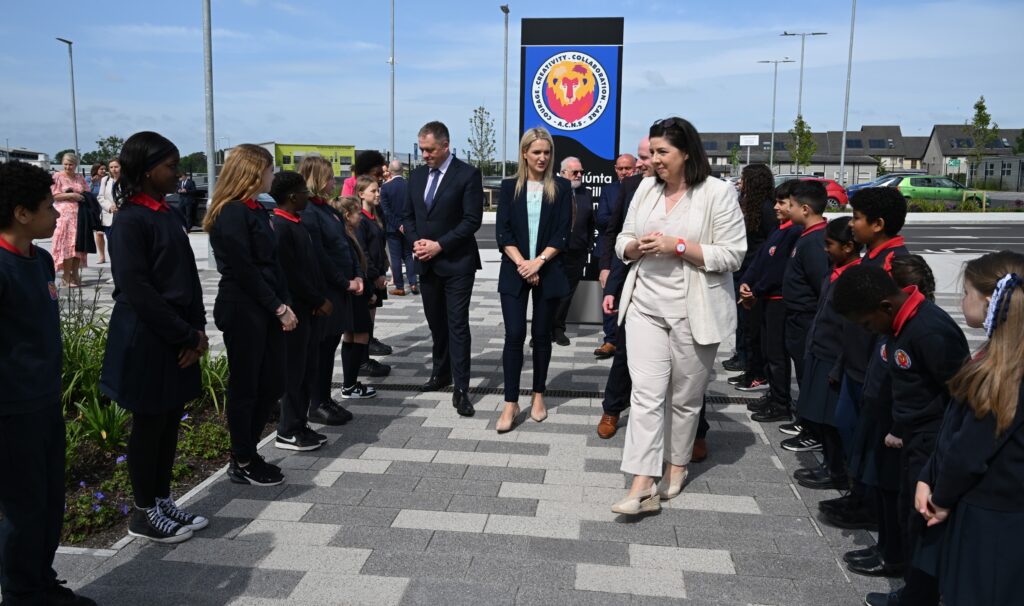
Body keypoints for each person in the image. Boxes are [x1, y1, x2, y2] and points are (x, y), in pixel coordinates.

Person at [611, 117, 746, 515]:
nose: (653, 160)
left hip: (694, 310)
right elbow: (623, 238)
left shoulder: (718, 192)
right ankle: (641, 482)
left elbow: (733, 254)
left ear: (686, 152)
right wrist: (634, 247)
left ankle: (677, 465)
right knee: (646, 394)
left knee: (685, 398)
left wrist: (679, 246)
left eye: (662, 152)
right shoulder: (645, 188)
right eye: (651, 152)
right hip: (645, 306)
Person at [832, 264, 968, 606]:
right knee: (909, 518)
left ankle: (918, 597)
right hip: (911, 437)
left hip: (931, 442)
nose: (868, 331)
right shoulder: (900, 324)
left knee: (923, 523)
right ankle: (913, 590)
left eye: (867, 324)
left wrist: (942, 455)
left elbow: (962, 396)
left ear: (885, 307)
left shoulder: (928, 332)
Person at [99, 131, 210, 543]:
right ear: (146, 171)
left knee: (167, 423)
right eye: (170, 166)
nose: (177, 173)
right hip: (148, 337)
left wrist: (197, 330)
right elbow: (137, 289)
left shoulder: (167, 213)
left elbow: (189, 278)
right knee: (148, 427)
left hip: (177, 334)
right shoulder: (130, 220)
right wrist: (183, 334)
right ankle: (143, 511)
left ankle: (162, 499)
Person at [0, 161, 97, 606]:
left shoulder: (39, 261)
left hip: (44, 401)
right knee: (21, 508)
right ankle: (21, 593)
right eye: (47, 206)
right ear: (21, 214)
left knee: (49, 500)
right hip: (11, 410)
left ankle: (41, 580)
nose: (57, 214)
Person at [912, 251, 1024, 606]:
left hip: (988, 519)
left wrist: (941, 497)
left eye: (966, 293)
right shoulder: (1000, 361)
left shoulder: (1001, 375)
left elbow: (966, 452)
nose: (962, 302)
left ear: (990, 302)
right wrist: (929, 475)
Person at [205, 144, 294, 487]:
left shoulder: (256, 209)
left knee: (273, 382)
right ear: (254, 172)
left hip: (265, 307)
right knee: (246, 386)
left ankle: (247, 451)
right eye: (270, 169)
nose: (273, 175)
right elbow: (243, 269)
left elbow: (272, 263)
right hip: (243, 308)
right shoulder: (231, 212)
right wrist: (278, 306)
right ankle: (242, 458)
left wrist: (283, 302)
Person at [842, 255, 935, 581]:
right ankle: (885, 546)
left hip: (902, 429)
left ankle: (895, 556)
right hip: (880, 417)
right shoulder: (891, 326)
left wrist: (899, 427)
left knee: (896, 495)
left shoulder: (921, 329)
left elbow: (925, 391)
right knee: (881, 486)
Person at [402, 121, 483, 417]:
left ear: (445, 146)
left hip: (457, 263)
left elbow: (472, 220)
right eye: (421, 150)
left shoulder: (467, 174)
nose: (424, 155)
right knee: (436, 322)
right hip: (426, 263)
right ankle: (441, 372)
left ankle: (461, 388)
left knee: (457, 324)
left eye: (430, 150)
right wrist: (416, 243)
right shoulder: (416, 176)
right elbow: (407, 216)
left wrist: (439, 245)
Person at [494, 128, 572, 433]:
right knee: (514, 334)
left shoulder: (561, 187)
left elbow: (562, 233)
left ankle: (538, 393)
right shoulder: (509, 187)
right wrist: (523, 264)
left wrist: (538, 262)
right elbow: (503, 232)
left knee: (541, 335)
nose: (542, 157)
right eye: (536, 151)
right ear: (524, 153)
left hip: (548, 269)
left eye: (547, 152)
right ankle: (510, 402)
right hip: (515, 269)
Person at [788, 218, 861, 467]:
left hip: (834, 356)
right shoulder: (832, 271)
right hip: (818, 349)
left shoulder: (854, 278)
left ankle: (836, 470)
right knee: (818, 412)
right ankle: (829, 465)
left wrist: (839, 366)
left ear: (848, 247)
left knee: (832, 418)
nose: (825, 249)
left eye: (829, 244)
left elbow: (852, 329)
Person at [268, 171, 331, 452]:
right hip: (297, 311)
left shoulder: (297, 222)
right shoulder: (281, 227)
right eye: (305, 192)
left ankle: (300, 423)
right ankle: (287, 430)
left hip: (309, 311)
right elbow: (291, 275)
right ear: (293, 197)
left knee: (307, 370)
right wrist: (317, 299)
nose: (308, 195)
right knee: (294, 373)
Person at [596, 137, 651, 440]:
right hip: (632, 279)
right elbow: (614, 233)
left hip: (677, 288)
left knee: (685, 366)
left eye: (646, 156)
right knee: (624, 352)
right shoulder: (630, 187)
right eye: (640, 157)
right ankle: (612, 409)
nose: (640, 164)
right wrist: (609, 278)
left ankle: (697, 430)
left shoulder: (695, 191)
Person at [298, 156, 358, 426]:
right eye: (330, 177)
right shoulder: (309, 212)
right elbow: (320, 255)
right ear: (316, 179)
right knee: (321, 350)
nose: (335, 182)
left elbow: (345, 243)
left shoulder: (327, 209)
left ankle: (324, 397)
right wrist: (344, 282)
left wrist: (356, 274)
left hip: (340, 288)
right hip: (327, 289)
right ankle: (317, 402)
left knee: (330, 345)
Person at [740, 181, 802, 421]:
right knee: (768, 351)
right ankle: (775, 394)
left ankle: (781, 403)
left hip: (778, 301)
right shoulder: (779, 229)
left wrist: (755, 290)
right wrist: (747, 282)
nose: (776, 207)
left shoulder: (794, 233)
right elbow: (760, 261)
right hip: (765, 299)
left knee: (777, 355)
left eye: (782, 203)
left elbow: (778, 270)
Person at [775, 180, 829, 445]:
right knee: (803, 372)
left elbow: (821, 285)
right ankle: (805, 420)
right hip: (797, 317)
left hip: (807, 318)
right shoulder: (806, 236)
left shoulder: (815, 241)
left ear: (805, 209)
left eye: (792, 205)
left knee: (809, 374)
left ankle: (813, 430)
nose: (788, 209)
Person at [725, 164, 778, 386]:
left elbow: (770, 244)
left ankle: (756, 371)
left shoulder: (766, 209)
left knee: (753, 327)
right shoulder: (749, 205)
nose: (740, 183)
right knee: (744, 324)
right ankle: (747, 363)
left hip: (755, 274)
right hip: (743, 271)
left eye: (743, 179)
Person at [331, 196, 377, 400]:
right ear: (347, 215)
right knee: (360, 335)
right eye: (357, 213)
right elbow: (355, 265)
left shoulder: (346, 233)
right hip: (355, 293)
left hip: (352, 293)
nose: (360, 216)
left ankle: (349, 384)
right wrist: (369, 292)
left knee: (350, 335)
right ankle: (349, 384)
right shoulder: (346, 236)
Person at [593, 153, 636, 359]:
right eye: (620, 168)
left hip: (635, 251)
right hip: (610, 252)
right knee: (610, 295)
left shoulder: (642, 189)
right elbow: (601, 219)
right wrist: (624, 221)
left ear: (635, 168)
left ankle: (630, 341)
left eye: (628, 168)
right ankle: (610, 340)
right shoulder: (609, 190)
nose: (624, 172)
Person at [551, 156, 594, 347]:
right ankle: (542, 331)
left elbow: (590, 223)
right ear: (562, 173)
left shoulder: (586, 194)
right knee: (548, 292)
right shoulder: (551, 192)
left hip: (577, 251)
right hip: (553, 252)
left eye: (581, 172)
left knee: (567, 293)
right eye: (574, 172)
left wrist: (588, 245)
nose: (579, 175)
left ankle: (558, 328)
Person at [355, 175, 392, 376]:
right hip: (369, 277)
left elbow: (379, 245)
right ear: (361, 194)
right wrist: (375, 275)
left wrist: (385, 266)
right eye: (373, 191)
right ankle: (362, 360)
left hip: (377, 275)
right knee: (363, 320)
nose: (378, 194)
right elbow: (363, 252)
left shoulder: (375, 216)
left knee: (370, 316)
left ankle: (366, 351)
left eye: (379, 190)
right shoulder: (359, 219)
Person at [50, 152, 89, 287]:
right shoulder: (57, 176)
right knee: (67, 246)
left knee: (78, 246)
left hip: (79, 215)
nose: (67, 167)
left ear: (76, 164)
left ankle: (75, 275)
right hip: (64, 216)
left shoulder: (79, 177)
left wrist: (81, 196)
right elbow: (54, 195)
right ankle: (66, 276)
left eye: (70, 164)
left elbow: (87, 192)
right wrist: (72, 195)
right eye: (65, 164)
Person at [380, 159, 417, 296]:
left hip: (392, 228)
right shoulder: (410, 185)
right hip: (408, 227)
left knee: (395, 258)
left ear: (389, 171)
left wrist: (397, 224)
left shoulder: (385, 187)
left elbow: (386, 211)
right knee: (408, 255)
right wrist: (405, 225)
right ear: (402, 170)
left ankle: (400, 287)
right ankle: (413, 283)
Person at [95, 159, 120, 265]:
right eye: (111, 167)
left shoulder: (127, 180)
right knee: (112, 244)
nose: (114, 169)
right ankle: (115, 267)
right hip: (109, 216)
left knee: (122, 244)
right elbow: (100, 197)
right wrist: (110, 207)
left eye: (116, 167)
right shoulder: (105, 180)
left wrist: (119, 205)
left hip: (122, 215)